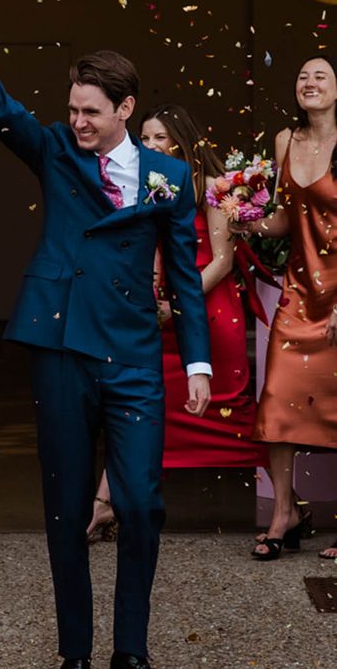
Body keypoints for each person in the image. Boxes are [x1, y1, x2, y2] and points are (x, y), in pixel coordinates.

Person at [0, 0, 211, 669]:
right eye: (73, 109)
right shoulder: (58, 152)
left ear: (126, 108)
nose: (79, 121)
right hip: (62, 350)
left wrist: (194, 359)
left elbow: (187, 275)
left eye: (93, 111)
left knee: (139, 505)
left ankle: (131, 654)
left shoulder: (166, 176)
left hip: (132, 355)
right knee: (66, 505)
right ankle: (74, 652)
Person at [89, 104, 267, 538]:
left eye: (158, 138)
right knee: (139, 409)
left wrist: (176, 305)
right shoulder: (153, 187)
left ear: (181, 143)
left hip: (206, 311)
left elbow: (223, 262)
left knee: (233, 408)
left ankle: (285, 502)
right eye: (144, 138)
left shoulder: (211, 187)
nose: (149, 146)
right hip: (160, 310)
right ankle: (103, 503)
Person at [240, 56, 337, 560]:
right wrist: (245, 218)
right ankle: (285, 511)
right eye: (303, 76)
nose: (309, 82)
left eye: (321, 75)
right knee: (277, 399)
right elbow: (284, 218)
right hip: (299, 292)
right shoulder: (285, 141)